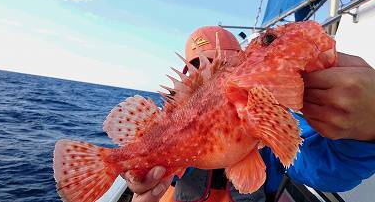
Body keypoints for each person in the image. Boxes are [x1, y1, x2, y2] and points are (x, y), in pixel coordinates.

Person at [123, 26, 375, 202]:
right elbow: (141, 165)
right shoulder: (164, 128)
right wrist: (139, 179)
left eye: (220, 65)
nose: (210, 76)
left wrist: (368, 128)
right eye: (199, 70)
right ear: (186, 81)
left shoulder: (271, 116)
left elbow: (328, 170)